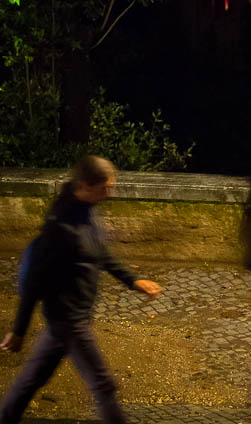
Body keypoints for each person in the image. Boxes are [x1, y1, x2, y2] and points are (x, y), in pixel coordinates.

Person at [0, 155, 162, 424]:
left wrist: (133, 281)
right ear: (85, 185)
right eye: (105, 188)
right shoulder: (59, 227)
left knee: (32, 380)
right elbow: (33, 283)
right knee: (103, 385)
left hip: (69, 319)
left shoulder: (86, 212)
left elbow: (99, 254)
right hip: (69, 319)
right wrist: (18, 331)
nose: (110, 194)